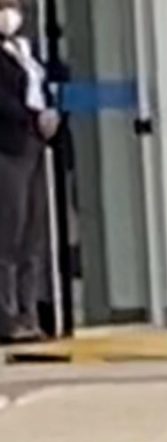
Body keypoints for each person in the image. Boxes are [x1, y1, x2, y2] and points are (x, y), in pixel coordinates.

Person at [0, 0, 57, 344]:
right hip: (8, 146)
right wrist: (29, 116)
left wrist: (48, 116)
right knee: (9, 231)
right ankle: (7, 318)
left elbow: (44, 85)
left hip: (34, 142)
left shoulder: (25, 51)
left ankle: (29, 313)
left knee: (33, 234)